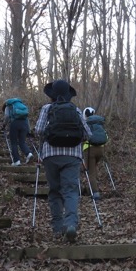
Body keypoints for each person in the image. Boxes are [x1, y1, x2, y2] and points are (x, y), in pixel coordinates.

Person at [34, 79, 90, 243]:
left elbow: (38, 130)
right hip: (73, 156)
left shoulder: (47, 108)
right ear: (68, 95)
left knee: (54, 191)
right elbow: (88, 134)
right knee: (71, 190)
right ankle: (71, 224)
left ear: (52, 95)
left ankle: (57, 228)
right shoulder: (76, 110)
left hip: (50, 155)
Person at [82, 107, 107, 201]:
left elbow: (84, 136)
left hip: (89, 150)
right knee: (93, 170)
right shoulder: (99, 122)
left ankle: (95, 193)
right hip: (101, 149)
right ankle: (90, 188)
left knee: (90, 172)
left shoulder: (86, 123)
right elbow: (106, 136)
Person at [2, 97, 33, 166]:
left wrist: (4, 125)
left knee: (14, 143)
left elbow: (6, 116)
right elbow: (27, 118)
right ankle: (28, 153)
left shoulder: (8, 106)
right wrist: (28, 129)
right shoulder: (21, 105)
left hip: (14, 124)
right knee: (22, 142)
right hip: (24, 124)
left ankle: (17, 161)